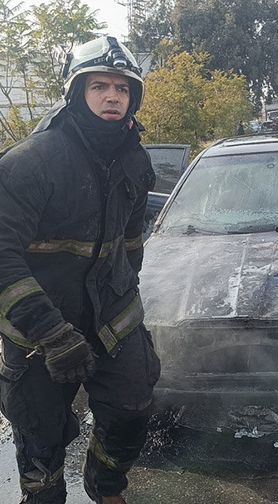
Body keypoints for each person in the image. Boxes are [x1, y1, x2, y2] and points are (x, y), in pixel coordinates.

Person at [0, 36, 159, 504]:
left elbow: (130, 244)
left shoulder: (136, 159)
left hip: (112, 318)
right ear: (77, 93)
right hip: (39, 331)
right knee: (40, 436)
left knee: (133, 409)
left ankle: (105, 486)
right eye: (99, 87)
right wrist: (51, 332)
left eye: (123, 88)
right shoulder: (31, 163)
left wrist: (123, 293)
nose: (113, 96)